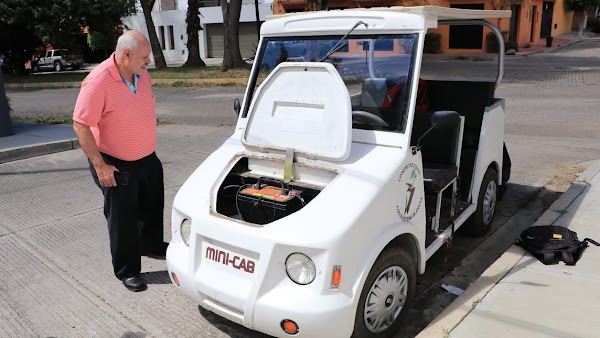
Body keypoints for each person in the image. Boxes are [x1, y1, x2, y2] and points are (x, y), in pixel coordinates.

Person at [73, 30, 168, 292]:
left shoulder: (141, 74)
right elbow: (81, 124)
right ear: (126, 54)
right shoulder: (98, 81)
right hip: (114, 162)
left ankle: (151, 245)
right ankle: (127, 270)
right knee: (124, 217)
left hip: (146, 157)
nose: (148, 62)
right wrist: (100, 166)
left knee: (151, 205)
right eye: (144, 57)